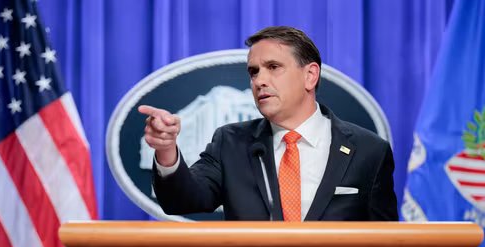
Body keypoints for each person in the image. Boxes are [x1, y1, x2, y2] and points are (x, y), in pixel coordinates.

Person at [139, 26, 398, 221]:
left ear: (310, 76)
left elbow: (386, 245)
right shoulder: (231, 143)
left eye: (273, 67)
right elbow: (182, 200)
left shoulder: (369, 151)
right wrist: (166, 149)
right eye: (254, 71)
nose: (259, 81)